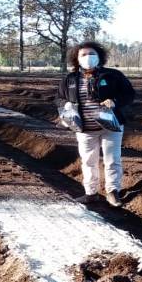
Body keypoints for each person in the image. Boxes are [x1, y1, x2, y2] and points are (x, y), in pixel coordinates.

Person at [56, 41, 135, 207]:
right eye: (83, 55)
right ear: (77, 59)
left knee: (112, 159)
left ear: (99, 57)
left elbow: (129, 94)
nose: (88, 57)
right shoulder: (70, 79)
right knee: (88, 161)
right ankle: (90, 193)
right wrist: (65, 106)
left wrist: (115, 101)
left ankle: (113, 192)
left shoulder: (113, 75)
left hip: (111, 127)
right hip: (84, 128)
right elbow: (59, 97)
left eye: (92, 54)